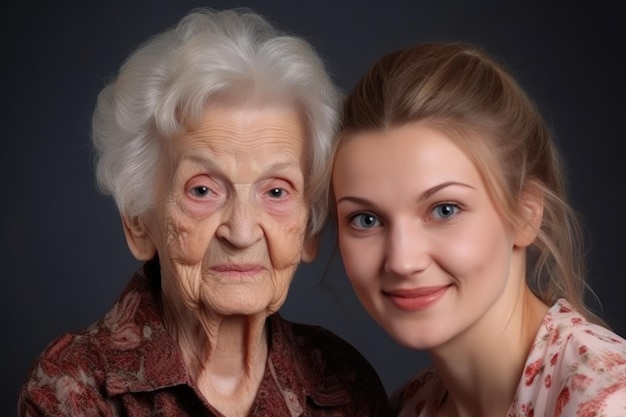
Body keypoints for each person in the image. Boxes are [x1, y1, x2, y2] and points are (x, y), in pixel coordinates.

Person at [18, 8, 390, 417]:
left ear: (310, 228)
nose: (243, 231)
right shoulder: (73, 390)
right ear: (138, 221)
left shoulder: (345, 385)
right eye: (203, 190)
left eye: (277, 191)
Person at [331, 41, 626, 416]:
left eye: (444, 210)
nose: (403, 261)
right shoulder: (410, 405)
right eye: (366, 220)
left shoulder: (608, 402)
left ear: (525, 214)